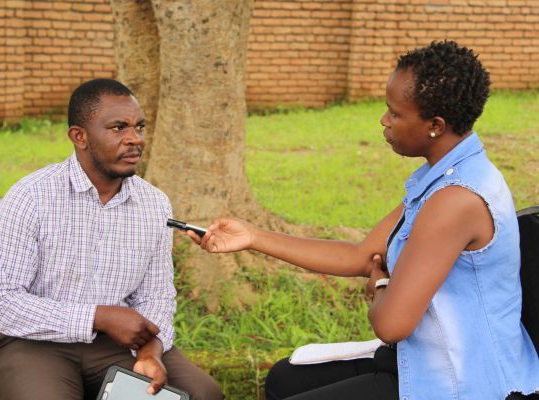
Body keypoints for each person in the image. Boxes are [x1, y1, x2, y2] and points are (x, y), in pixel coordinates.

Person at [187, 41, 539, 399]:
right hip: (420, 357)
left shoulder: (456, 200)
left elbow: (391, 323)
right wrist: (252, 236)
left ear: (435, 125)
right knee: (284, 380)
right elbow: (360, 254)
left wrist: (381, 283)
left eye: (395, 113)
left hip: (459, 382)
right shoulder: (447, 175)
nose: (384, 121)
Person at [0, 78, 223, 400]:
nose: (134, 139)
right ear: (79, 136)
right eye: (118, 128)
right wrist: (99, 317)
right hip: (31, 343)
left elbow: (156, 295)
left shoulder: (154, 203)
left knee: (202, 394)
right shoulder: (31, 196)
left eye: (139, 127)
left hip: (120, 346)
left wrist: (151, 349)